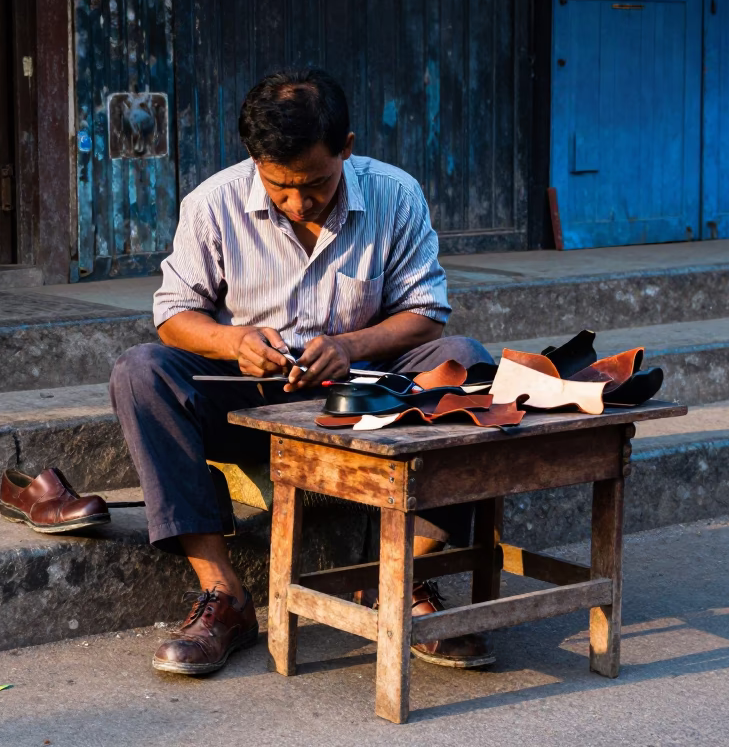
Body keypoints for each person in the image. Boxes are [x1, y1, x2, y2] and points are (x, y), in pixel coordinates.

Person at [109, 67, 497, 676]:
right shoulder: (213, 203)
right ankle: (224, 596)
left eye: (315, 183)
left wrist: (349, 345)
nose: (297, 202)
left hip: (365, 396)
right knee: (140, 371)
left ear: (347, 148)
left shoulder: (395, 195)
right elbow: (174, 316)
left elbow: (426, 314)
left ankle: (399, 578)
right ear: (255, 160)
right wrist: (234, 340)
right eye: (279, 186)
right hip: (250, 396)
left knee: (467, 363)